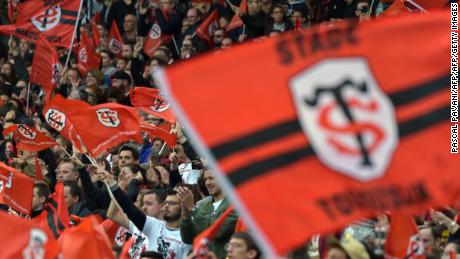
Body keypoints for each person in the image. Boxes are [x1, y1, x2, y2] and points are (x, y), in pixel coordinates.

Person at [106, 172, 191, 258]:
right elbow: (129, 208)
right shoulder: (154, 225)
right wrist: (111, 183)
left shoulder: (188, 236)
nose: (166, 206)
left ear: (183, 207)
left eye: (172, 203)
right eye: (165, 203)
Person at [179, 170, 238, 258]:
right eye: (205, 179)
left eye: (211, 178)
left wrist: (193, 209)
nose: (207, 183)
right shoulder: (201, 205)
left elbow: (219, 231)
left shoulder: (236, 205)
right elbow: (189, 239)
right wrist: (185, 216)